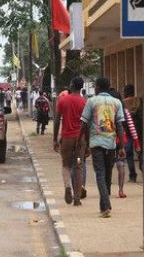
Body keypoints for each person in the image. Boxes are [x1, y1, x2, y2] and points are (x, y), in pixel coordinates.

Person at [77, 77, 125, 218]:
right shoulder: (117, 102)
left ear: (97, 87)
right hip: (111, 143)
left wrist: (82, 141)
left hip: (96, 142)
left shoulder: (91, 101)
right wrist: (121, 146)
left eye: (95, 86)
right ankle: (105, 203)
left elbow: (84, 124)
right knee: (107, 174)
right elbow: (120, 125)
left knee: (100, 174)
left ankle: (105, 205)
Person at [53, 76, 87, 206]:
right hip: (80, 140)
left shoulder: (63, 100)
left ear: (72, 85)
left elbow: (56, 120)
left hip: (66, 139)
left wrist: (55, 139)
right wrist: (87, 143)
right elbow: (87, 124)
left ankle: (67, 186)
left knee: (66, 165)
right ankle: (77, 198)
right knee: (78, 166)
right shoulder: (84, 102)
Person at [122, 84, 143, 182]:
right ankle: (143, 170)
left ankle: (132, 176)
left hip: (128, 132)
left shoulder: (123, 103)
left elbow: (122, 119)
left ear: (126, 92)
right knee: (141, 152)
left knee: (129, 155)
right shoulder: (139, 101)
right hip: (139, 131)